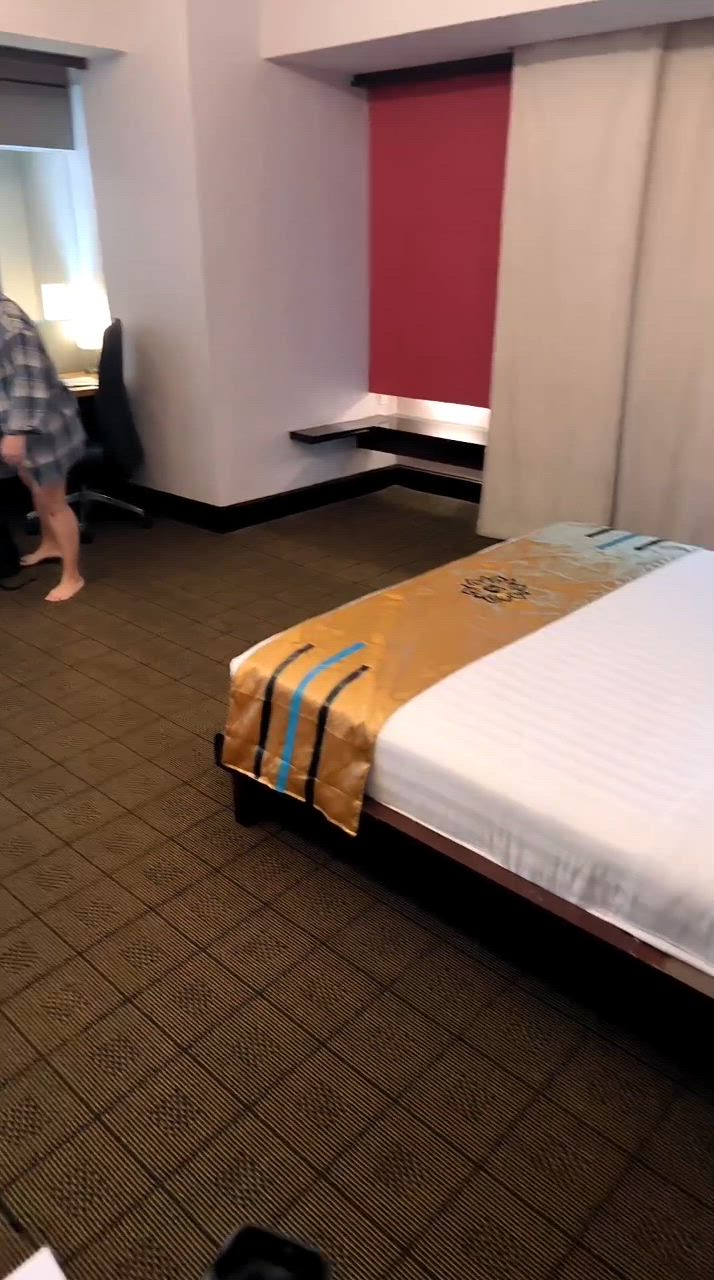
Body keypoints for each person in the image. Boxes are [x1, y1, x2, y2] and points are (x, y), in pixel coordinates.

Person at [0, 291, 86, 602]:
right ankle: (50, 545)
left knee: (54, 502)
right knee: (34, 487)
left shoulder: (10, 324)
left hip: (42, 428)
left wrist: (17, 432)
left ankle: (72, 576)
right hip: (21, 423)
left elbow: (30, 383)